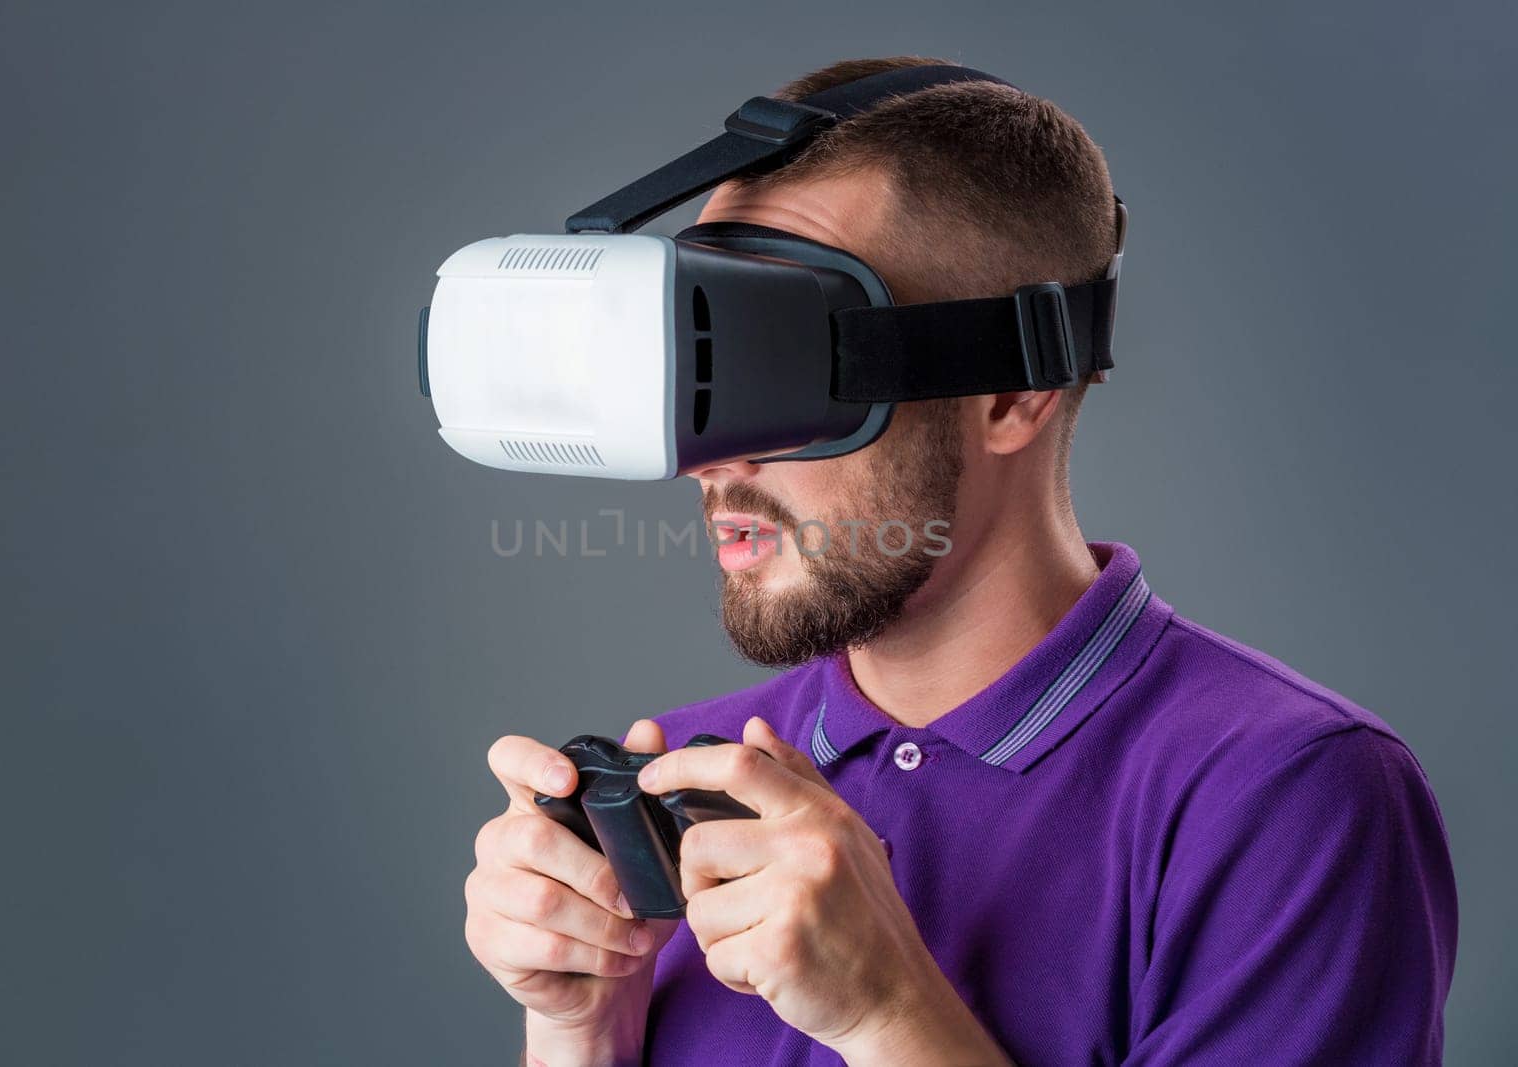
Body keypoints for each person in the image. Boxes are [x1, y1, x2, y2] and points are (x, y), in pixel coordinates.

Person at [463, 56, 1458, 1066]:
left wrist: (886, 1012)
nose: (711, 458)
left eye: (783, 367)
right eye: (701, 374)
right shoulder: (682, 778)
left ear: (1011, 392)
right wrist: (581, 1025)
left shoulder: (1285, 797)